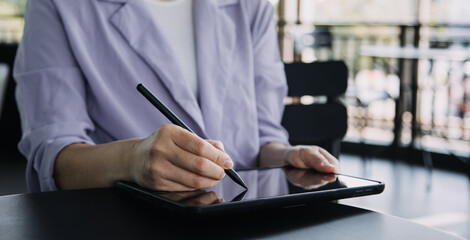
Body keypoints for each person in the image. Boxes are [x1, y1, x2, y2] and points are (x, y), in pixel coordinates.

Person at [14, 0, 340, 193]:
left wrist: (285, 157)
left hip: (240, 218)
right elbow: (52, 158)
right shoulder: (58, 5)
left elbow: (262, 140)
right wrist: (132, 160)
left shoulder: (250, 5)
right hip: (124, 222)